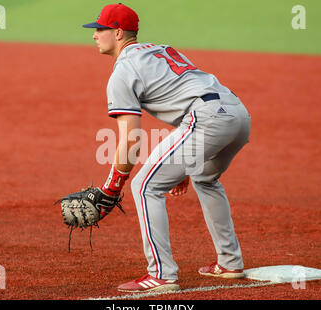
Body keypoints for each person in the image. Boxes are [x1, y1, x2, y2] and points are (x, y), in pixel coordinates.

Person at [82, 3, 251, 293]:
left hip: (206, 120)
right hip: (237, 114)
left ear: (119, 33)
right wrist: (183, 163)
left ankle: (161, 274)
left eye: (100, 29)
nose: (95, 35)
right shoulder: (160, 50)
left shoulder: (122, 72)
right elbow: (182, 95)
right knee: (206, 179)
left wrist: (111, 187)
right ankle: (230, 262)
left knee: (144, 186)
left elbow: (131, 141)